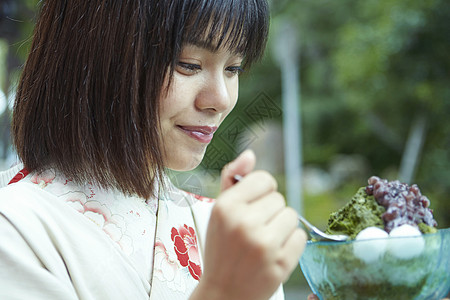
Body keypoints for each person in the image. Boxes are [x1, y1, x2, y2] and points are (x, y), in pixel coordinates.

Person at [0, 1, 307, 299]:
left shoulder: (222, 229)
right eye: (189, 65)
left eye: (233, 69)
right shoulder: (16, 228)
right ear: (101, 56)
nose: (221, 99)